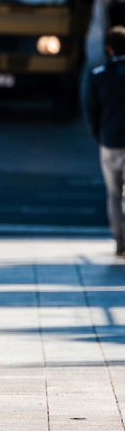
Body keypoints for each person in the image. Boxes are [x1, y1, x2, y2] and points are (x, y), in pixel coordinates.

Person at [84, 26, 125, 257]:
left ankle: (119, 241)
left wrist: (98, 135)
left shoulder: (99, 74)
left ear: (108, 48)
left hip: (110, 142)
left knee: (114, 194)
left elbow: (90, 110)